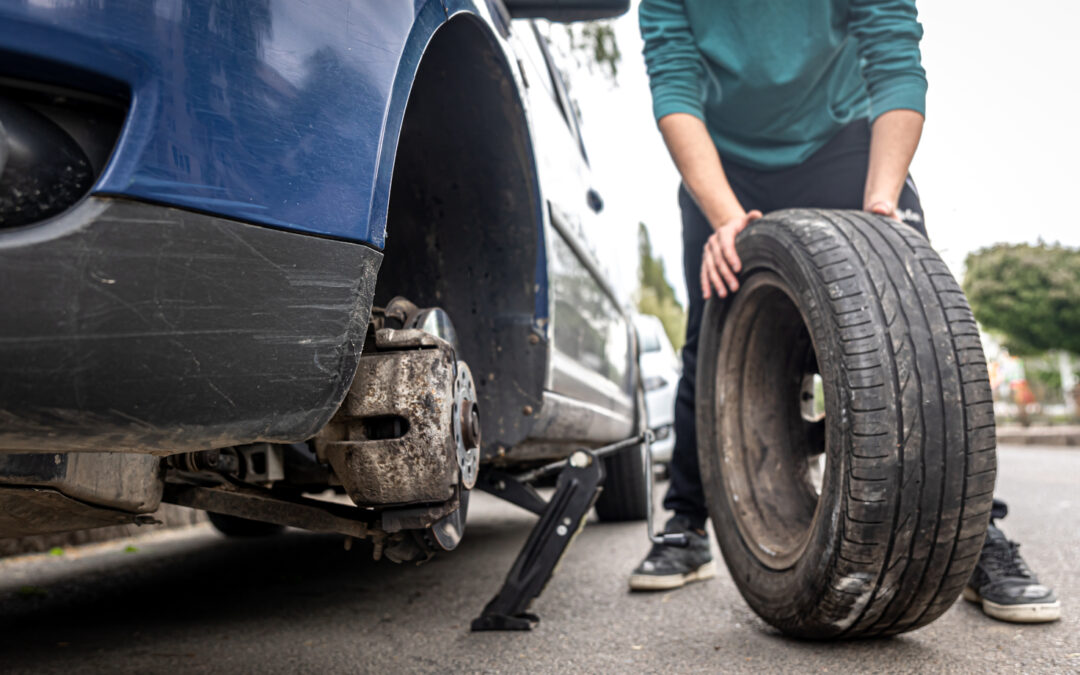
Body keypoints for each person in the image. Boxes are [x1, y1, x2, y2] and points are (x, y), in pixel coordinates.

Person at [629, 0, 1060, 624]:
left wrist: (881, 201)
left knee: (921, 331)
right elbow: (672, 84)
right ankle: (685, 527)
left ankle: (973, 537)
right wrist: (725, 219)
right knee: (711, 333)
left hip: (844, 141)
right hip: (726, 159)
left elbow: (895, 59)